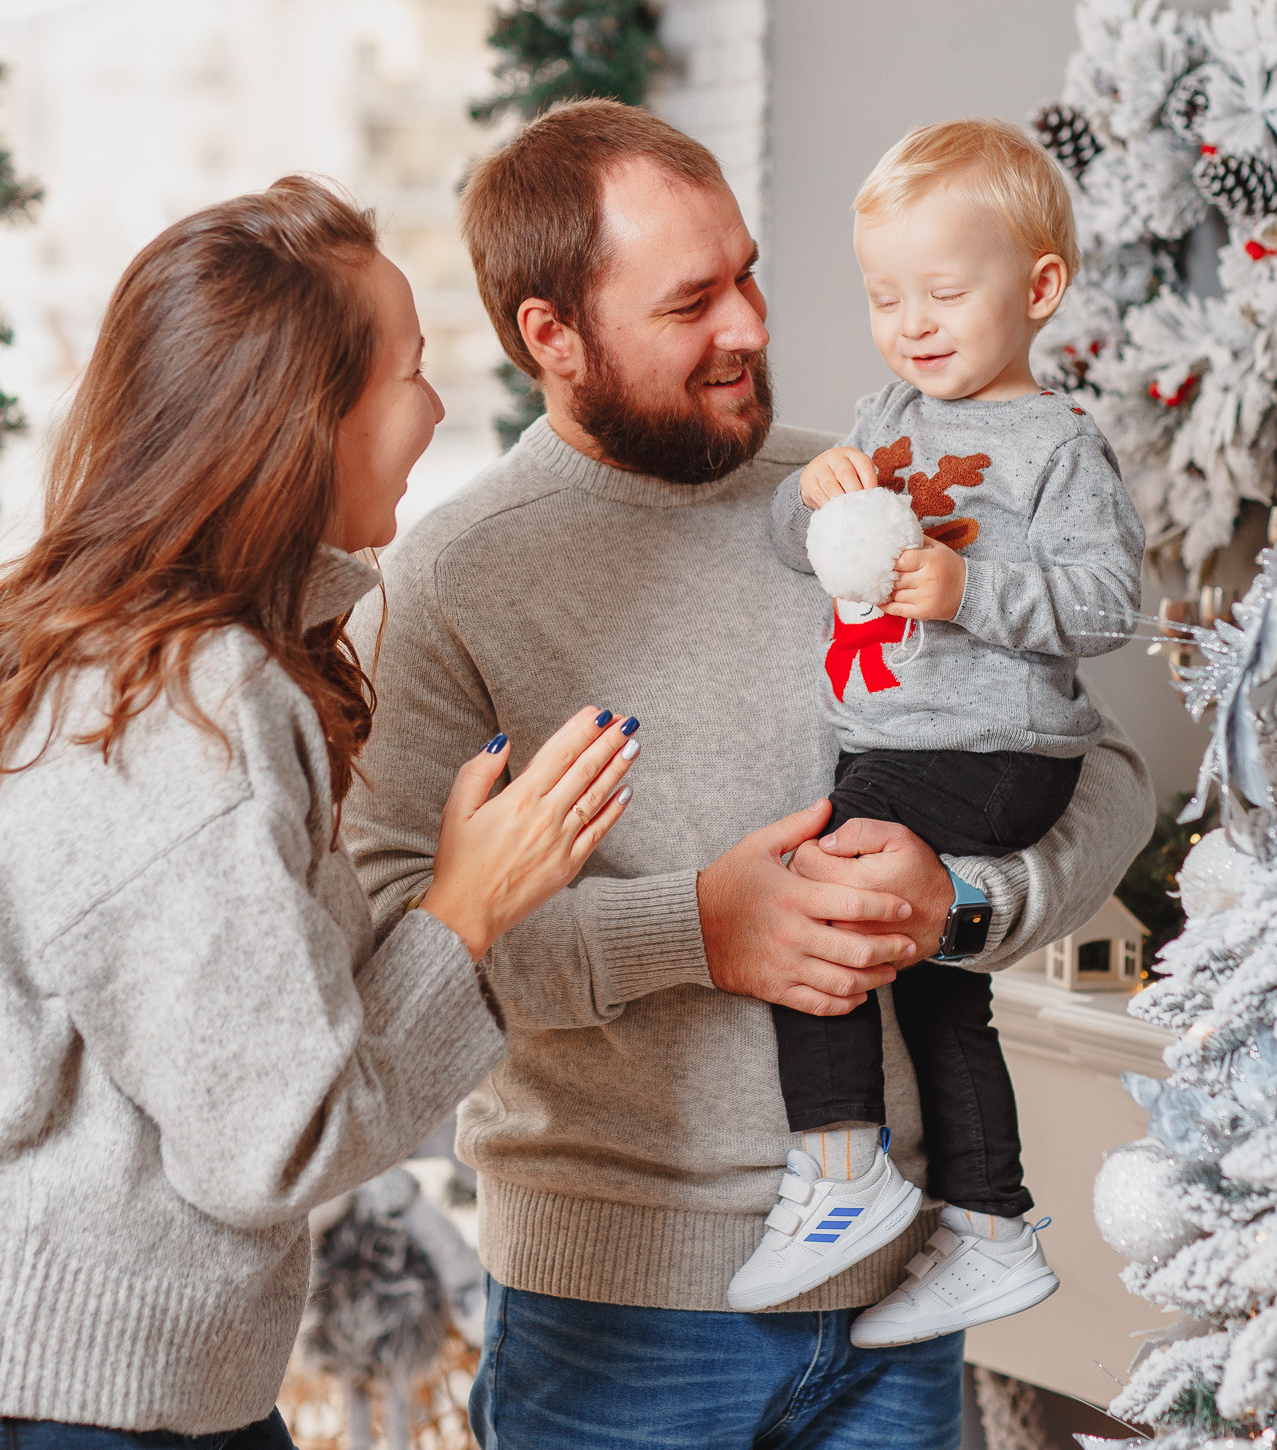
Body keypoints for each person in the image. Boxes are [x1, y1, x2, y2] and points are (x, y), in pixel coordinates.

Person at [344, 99, 1156, 1450]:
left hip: (899, 1312)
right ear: (553, 334)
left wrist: (966, 901)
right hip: (617, 1335)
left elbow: (1101, 765)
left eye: (749, 272)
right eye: (689, 304)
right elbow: (394, 941)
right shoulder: (454, 576)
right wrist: (697, 932)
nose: (752, 328)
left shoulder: (874, 494)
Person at [0, 179, 638, 1450]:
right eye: (407, 371)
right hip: (90, 1410)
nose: (438, 405)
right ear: (302, 422)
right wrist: (465, 912)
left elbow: (259, 1027)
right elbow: (276, 1139)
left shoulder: (141, 661)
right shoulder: (187, 701)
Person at [726, 119, 1144, 1334]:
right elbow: (803, 552)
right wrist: (806, 500)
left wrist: (972, 593)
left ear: (1039, 289)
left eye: (944, 293)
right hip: (896, 742)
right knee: (936, 990)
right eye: (882, 295)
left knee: (812, 904)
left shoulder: (1056, 450)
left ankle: (842, 1167)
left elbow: (1109, 604)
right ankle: (988, 1225)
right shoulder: (883, 411)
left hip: (991, 751)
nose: (910, 321)